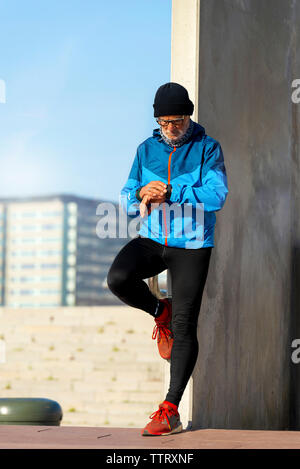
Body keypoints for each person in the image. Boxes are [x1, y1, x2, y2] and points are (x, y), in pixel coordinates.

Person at [107, 82, 228, 436]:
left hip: (192, 245)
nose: (171, 128)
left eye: (177, 120)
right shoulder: (146, 150)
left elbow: (217, 194)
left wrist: (174, 191)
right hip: (153, 238)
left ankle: (170, 409)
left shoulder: (208, 148)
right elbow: (127, 196)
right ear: (157, 120)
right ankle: (161, 311)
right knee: (117, 278)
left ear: (188, 116)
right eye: (164, 122)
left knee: (186, 326)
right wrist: (141, 193)